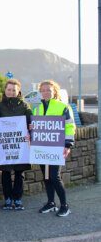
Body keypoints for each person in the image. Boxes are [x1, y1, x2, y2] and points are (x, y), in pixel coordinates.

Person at [34, 80, 75, 217]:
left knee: (54, 176)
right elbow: (35, 126)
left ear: (54, 91)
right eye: (43, 90)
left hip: (57, 147)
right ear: (40, 92)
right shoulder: (37, 108)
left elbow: (70, 126)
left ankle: (65, 206)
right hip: (42, 147)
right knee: (46, 177)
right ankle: (51, 203)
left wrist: (68, 144)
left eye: (49, 90)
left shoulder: (63, 106)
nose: (46, 92)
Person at [0, 79, 32, 210]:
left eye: (14, 90)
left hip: (20, 146)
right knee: (5, 173)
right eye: (9, 89)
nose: (11, 92)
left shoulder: (25, 106)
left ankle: (18, 198)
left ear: (18, 91)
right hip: (4, 146)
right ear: (5, 90)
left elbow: (30, 123)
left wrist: (30, 133)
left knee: (19, 173)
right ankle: (8, 199)